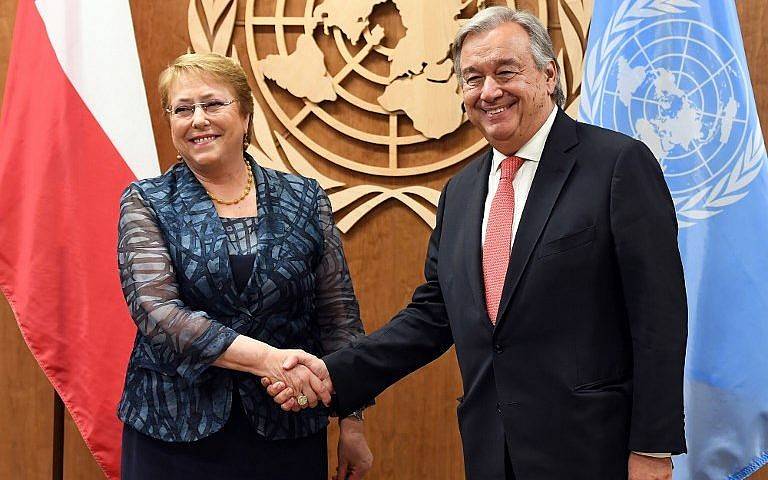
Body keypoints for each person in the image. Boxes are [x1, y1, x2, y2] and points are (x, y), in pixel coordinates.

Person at [265, 7, 687, 480]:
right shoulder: (461, 193)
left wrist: (652, 448)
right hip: (492, 452)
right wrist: (334, 374)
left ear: (548, 75)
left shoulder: (617, 165)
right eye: (472, 78)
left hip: (595, 452)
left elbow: (658, 318)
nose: (489, 91)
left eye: (506, 72)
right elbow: (433, 314)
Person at [116, 52, 372, 480]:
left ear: (246, 115)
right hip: (173, 432)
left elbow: (338, 314)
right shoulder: (147, 201)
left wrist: (352, 419)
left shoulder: (303, 198)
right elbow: (158, 313)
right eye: (183, 109)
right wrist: (268, 360)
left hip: (286, 431)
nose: (198, 119)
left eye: (213, 104)